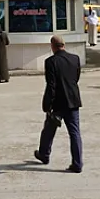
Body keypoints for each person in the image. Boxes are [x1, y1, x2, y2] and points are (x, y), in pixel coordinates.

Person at [34, 35, 83, 173]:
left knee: (48, 129)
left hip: (58, 102)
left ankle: (44, 154)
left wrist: (47, 104)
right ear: (64, 45)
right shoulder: (75, 59)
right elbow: (76, 78)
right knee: (75, 133)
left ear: (52, 46)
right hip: (73, 100)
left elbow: (51, 85)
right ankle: (77, 163)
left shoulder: (50, 61)